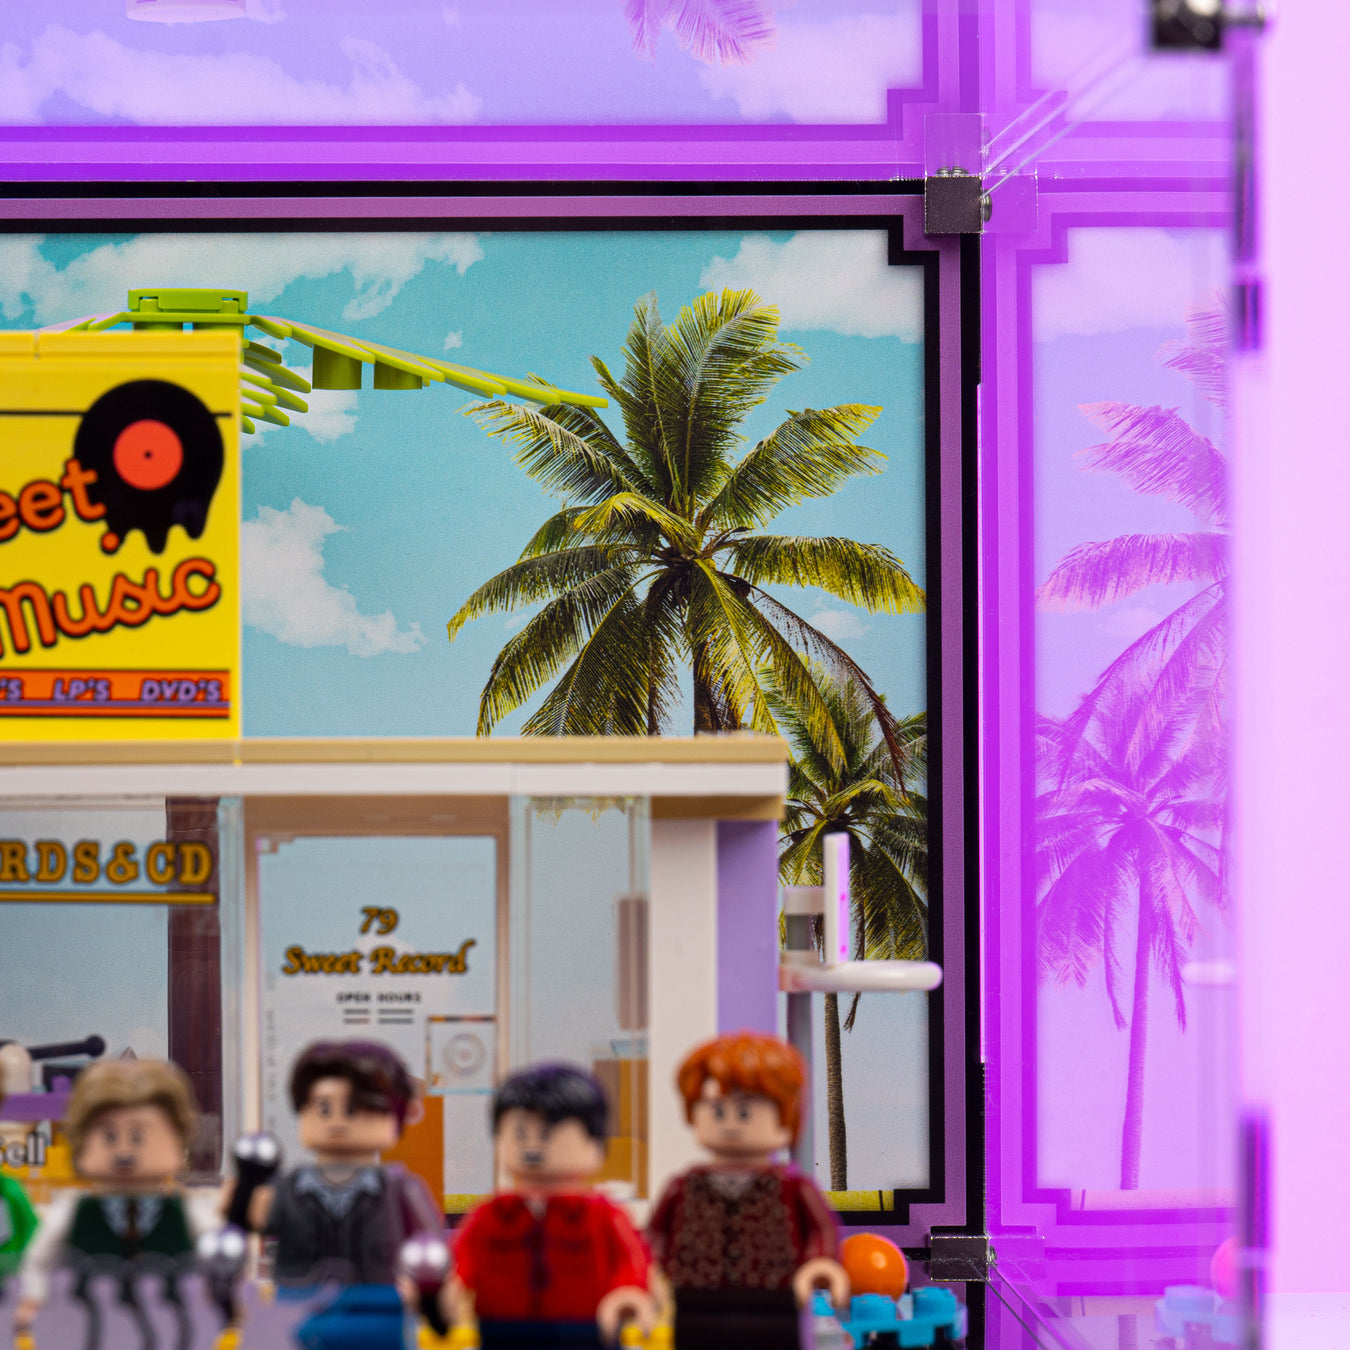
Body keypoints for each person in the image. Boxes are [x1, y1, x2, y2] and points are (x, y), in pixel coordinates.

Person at [235, 1040, 444, 1350]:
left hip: (378, 1315)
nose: (337, 1121)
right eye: (323, 1107)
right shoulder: (287, 1186)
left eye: (353, 1108)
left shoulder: (400, 1187)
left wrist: (434, 1301)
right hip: (299, 1313)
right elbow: (248, 1223)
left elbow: (432, 1246)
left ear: (400, 1113)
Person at [647, 1031, 849, 1350]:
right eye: (716, 1110)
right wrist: (649, 1273)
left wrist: (819, 1264)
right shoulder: (682, 1186)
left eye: (745, 1112)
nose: (731, 1123)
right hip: (694, 1305)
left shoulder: (793, 1187)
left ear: (785, 1117)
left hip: (775, 1305)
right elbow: (656, 1236)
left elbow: (820, 1231)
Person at [449, 1063, 655, 1349]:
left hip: (585, 1331)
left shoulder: (602, 1214)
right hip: (501, 1329)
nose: (533, 1147)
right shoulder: (490, 1213)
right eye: (520, 1134)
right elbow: (463, 1256)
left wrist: (628, 1292)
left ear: (595, 1143)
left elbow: (631, 1259)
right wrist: (452, 1285)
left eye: (547, 1134)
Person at [13, 1058, 214, 1345]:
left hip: (171, 1311)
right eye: (108, 1136)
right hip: (89, 1313)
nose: (124, 1152)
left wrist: (222, 1288)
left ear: (178, 1138)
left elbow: (218, 1247)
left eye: (138, 1136)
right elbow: (40, 1256)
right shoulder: (74, 1208)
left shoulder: (186, 1208)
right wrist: (34, 1294)